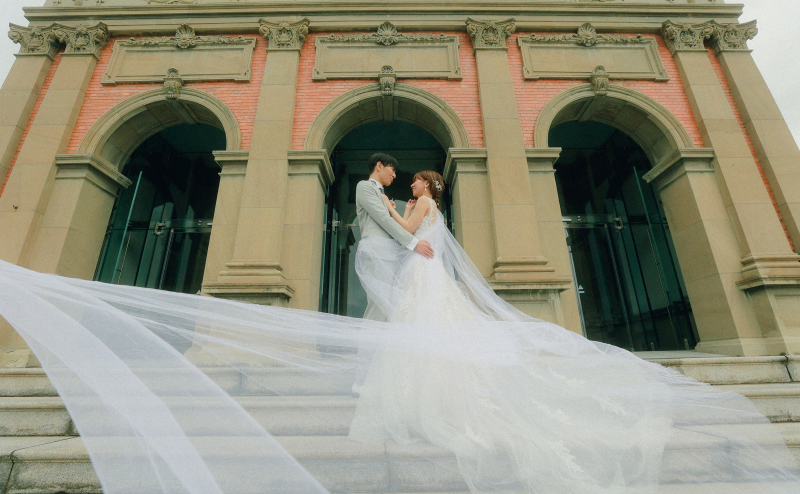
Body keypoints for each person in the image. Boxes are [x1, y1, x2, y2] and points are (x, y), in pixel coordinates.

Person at [0, 168, 799, 494]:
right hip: (424, 280)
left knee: (423, 344)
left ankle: (431, 405)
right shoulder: (410, 202)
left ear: (426, 185)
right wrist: (385, 212)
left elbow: (412, 232)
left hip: (422, 279)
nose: (409, 184)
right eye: (405, 180)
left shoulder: (422, 206)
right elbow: (405, 230)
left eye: (415, 181)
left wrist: (391, 212)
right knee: (425, 344)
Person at [355, 153, 434, 322]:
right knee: (379, 307)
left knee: (390, 310)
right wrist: (414, 243)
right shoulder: (364, 186)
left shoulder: (381, 193)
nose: (394, 175)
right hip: (377, 252)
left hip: (389, 255)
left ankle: (380, 341)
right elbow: (383, 220)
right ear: (379, 166)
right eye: (392, 169)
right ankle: (367, 341)